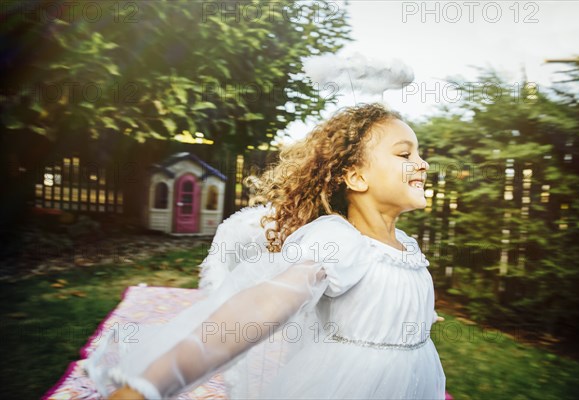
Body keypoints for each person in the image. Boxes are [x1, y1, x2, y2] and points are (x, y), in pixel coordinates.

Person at [87, 103, 447, 399]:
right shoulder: (338, 240)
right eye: (405, 153)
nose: (423, 162)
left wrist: (414, 316)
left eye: (419, 153)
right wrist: (149, 387)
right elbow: (259, 309)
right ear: (355, 177)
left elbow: (388, 297)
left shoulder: (407, 246)